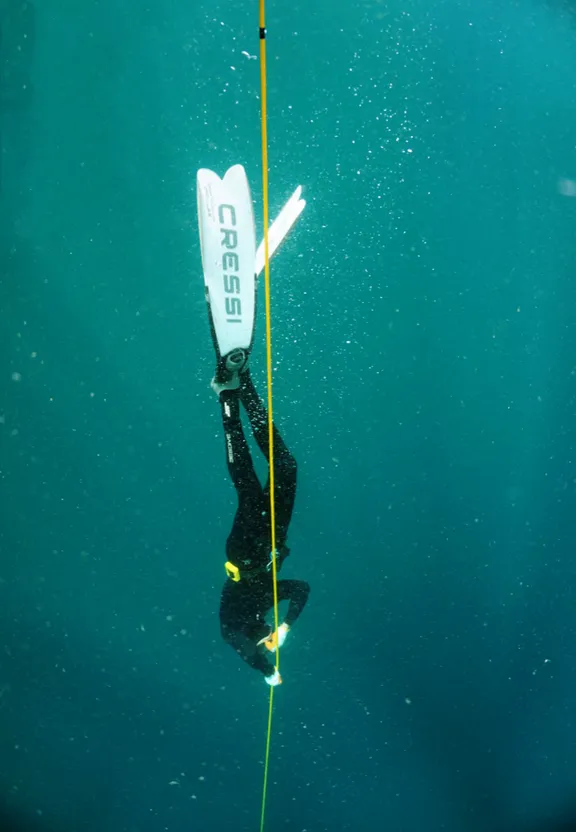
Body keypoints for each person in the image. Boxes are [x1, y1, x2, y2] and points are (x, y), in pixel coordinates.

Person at [196, 164, 309, 686]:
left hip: (244, 549)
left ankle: (226, 398)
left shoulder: (235, 621)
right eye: (263, 624)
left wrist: (265, 665)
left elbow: (234, 641)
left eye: (261, 626)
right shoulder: (270, 606)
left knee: (245, 484)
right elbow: (302, 589)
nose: (260, 626)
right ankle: (249, 386)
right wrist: (283, 630)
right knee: (285, 464)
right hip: (273, 537)